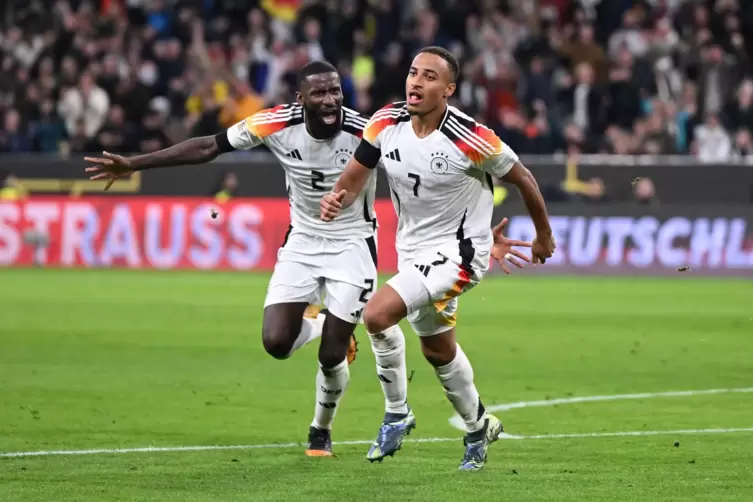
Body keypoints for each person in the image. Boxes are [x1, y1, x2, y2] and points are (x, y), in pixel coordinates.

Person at [84, 61, 407, 458]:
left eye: (335, 91)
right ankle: (323, 319)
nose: (330, 100)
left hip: (353, 244)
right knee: (275, 342)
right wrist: (135, 163)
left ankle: (320, 430)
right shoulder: (273, 123)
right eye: (319, 93)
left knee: (331, 353)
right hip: (302, 242)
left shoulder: (365, 131)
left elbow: (412, 169)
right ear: (300, 98)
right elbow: (207, 146)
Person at [320, 47, 555, 471]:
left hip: (462, 254)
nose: (416, 82)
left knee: (376, 315)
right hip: (413, 253)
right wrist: (338, 198)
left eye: (429, 77)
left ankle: (396, 412)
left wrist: (543, 235)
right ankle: (478, 425)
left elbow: (525, 180)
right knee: (437, 350)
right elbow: (356, 175)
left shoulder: (471, 137)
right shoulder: (385, 122)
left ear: (448, 89)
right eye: (413, 73)